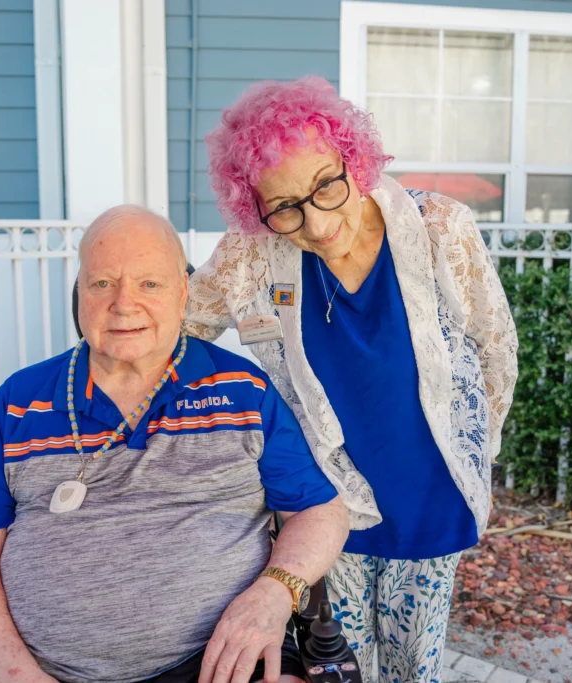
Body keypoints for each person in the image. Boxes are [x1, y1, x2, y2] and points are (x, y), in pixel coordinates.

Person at [183, 76, 519, 683]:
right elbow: (176, 331)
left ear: (353, 160)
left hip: (431, 488)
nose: (314, 223)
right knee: (337, 665)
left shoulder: (442, 226)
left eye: (325, 187)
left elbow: (496, 349)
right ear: (255, 207)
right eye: (285, 207)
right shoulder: (252, 253)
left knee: (415, 666)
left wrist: (476, 444)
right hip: (329, 499)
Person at [0, 205, 350, 683]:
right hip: (35, 668)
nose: (124, 304)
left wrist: (275, 592)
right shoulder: (17, 403)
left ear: (183, 295)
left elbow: (320, 511)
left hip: (213, 660)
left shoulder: (243, 392)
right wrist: (10, 675)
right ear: (80, 296)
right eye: (102, 284)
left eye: (149, 284)